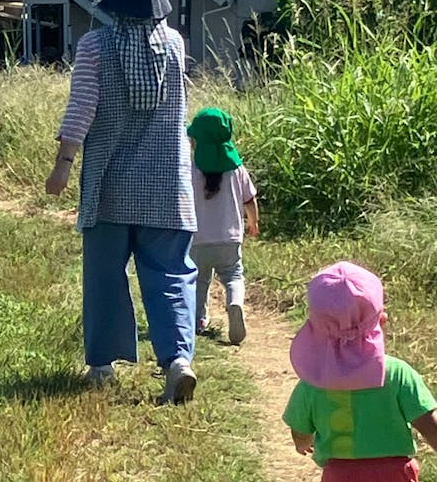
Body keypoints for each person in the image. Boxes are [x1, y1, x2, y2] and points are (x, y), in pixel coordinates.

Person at [45, 0, 198, 404]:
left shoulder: (95, 46)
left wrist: (63, 165)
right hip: (169, 187)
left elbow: (82, 110)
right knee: (170, 274)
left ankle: (102, 366)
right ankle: (177, 361)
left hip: (109, 187)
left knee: (105, 274)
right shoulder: (175, 45)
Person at [283, 262, 437, 482]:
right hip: (394, 474)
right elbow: (430, 425)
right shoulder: (398, 374)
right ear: (381, 320)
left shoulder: (313, 381)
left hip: (339, 474)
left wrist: (303, 442)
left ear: (313, 324)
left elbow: (300, 429)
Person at [186, 107, 260, 345]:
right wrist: (253, 223)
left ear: (196, 141)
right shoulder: (237, 170)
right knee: (233, 275)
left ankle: (198, 320)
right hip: (229, 239)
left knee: (199, 280)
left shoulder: (190, 170)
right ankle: (235, 303)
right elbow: (250, 200)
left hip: (197, 240)